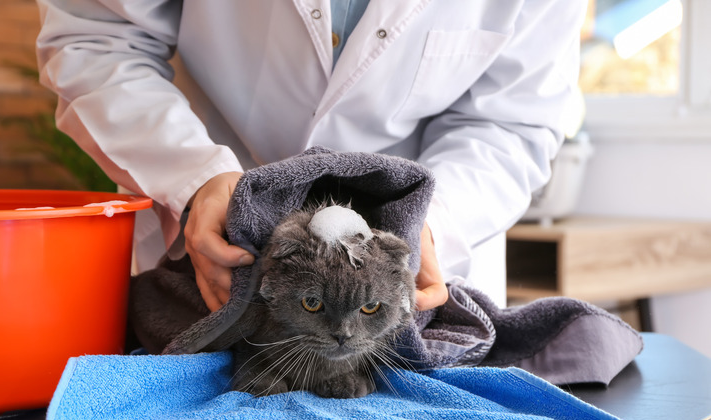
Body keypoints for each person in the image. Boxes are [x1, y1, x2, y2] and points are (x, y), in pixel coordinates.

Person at [35, 1, 585, 312]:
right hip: (207, 255)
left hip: (422, 280)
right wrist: (195, 177)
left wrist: (428, 217)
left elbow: (511, 119)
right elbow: (96, 39)